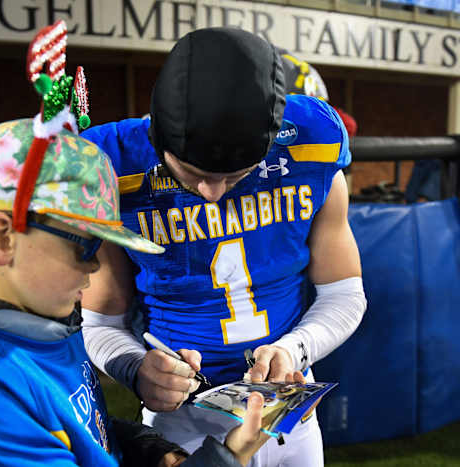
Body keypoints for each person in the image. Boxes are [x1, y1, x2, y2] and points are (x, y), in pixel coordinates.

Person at [0, 21, 273, 467]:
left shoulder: (27, 316)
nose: (95, 268)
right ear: (0, 238)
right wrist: (227, 457)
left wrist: (146, 449)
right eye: (84, 246)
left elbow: (76, 427)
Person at [80, 27, 367, 467]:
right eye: (192, 172)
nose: (212, 193)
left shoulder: (310, 140)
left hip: (287, 411)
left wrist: (294, 350)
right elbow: (99, 320)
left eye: (236, 177)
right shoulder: (115, 164)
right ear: (158, 138)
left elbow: (345, 293)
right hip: (181, 420)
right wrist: (135, 370)